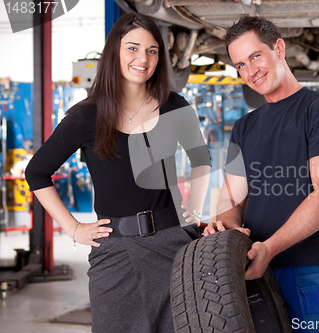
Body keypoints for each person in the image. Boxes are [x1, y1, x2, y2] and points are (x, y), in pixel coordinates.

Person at [25, 13, 211, 333]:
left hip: (172, 245)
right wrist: (73, 228)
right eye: (133, 48)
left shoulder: (174, 106)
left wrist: (195, 206)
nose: (143, 58)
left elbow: (201, 158)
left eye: (152, 51)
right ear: (115, 52)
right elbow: (36, 172)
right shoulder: (86, 117)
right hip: (114, 251)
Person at [204, 15, 319, 332]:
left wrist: (270, 248)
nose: (251, 71)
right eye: (240, 65)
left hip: (312, 274)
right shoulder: (244, 127)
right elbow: (231, 200)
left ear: (279, 48)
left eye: (255, 56)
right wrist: (229, 228)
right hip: (256, 273)